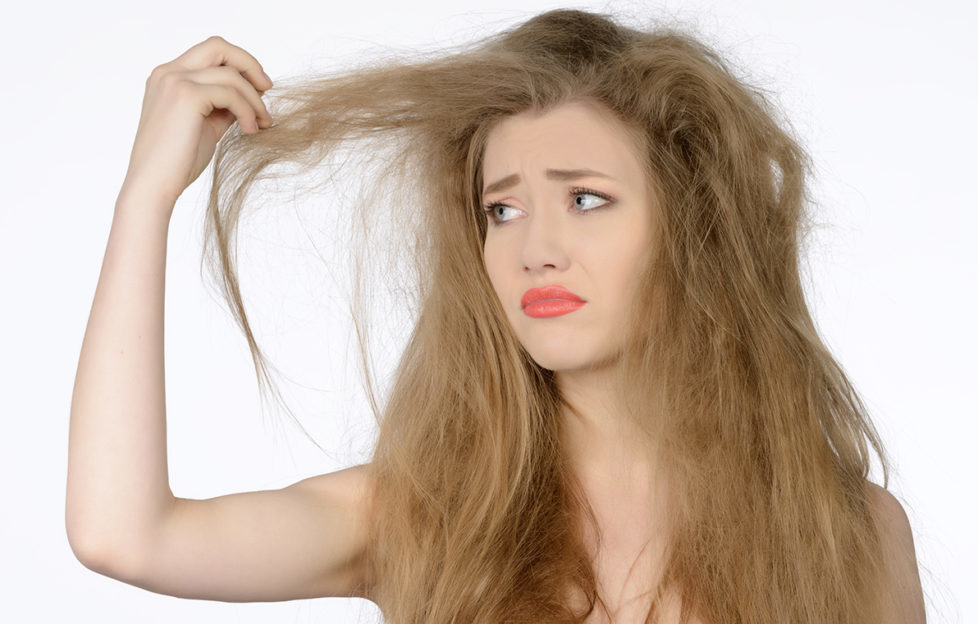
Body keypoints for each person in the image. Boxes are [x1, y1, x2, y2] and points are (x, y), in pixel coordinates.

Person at [66, 8, 926, 623]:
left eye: (586, 199)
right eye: (502, 210)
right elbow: (125, 535)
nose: (534, 250)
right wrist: (145, 197)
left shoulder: (849, 533)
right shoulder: (425, 519)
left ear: (693, 229)